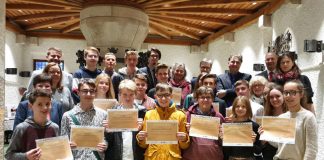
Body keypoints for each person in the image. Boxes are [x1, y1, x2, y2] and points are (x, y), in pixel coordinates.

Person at [260, 80, 317, 160]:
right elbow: (280, 144)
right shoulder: (282, 117)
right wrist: (266, 135)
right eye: (286, 92)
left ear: (301, 94)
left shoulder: (308, 117)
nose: (288, 96)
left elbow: (312, 149)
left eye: (293, 92)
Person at [137, 83, 190, 159]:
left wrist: (184, 139)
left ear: (171, 96)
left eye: (167, 95)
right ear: (155, 96)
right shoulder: (149, 114)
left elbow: (184, 146)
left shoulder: (180, 115)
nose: (163, 99)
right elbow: (144, 145)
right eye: (160, 95)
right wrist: (141, 138)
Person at [5, 89, 60, 160]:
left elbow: (56, 153)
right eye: (39, 104)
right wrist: (25, 156)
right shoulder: (21, 128)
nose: (45, 108)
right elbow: (9, 155)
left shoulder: (55, 128)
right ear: (30, 106)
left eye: (47, 104)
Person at [61, 79, 107, 159]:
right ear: (78, 93)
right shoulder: (67, 116)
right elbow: (63, 144)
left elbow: (106, 138)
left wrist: (105, 145)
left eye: (92, 91)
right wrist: (67, 145)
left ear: (95, 93)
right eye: (85, 91)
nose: (88, 94)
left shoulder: (103, 114)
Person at [105, 79, 146, 160]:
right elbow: (108, 141)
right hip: (117, 156)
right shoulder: (113, 112)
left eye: (131, 95)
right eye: (124, 95)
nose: (128, 98)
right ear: (119, 95)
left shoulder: (143, 112)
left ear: (135, 94)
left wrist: (141, 129)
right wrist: (107, 130)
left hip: (136, 156)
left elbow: (146, 142)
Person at [183, 86, 225, 160]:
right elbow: (182, 141)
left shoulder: (219, 116)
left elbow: (224, 141)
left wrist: (222, 136)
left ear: (212, 99)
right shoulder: (187, 115)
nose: (205, 100)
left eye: (208, 97)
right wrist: (187, 132)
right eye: (202, 97)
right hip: (191, 157)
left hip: (213, 156)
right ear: (197, 99)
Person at [261, 84, 287, 160]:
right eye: (271, 97)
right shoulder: (266, 114)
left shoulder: (291, 114)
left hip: (286, 152)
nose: (274, 99)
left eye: (277, 96)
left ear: (283, 96)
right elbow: (263, 143)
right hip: (269, 153)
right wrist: (262, 136)